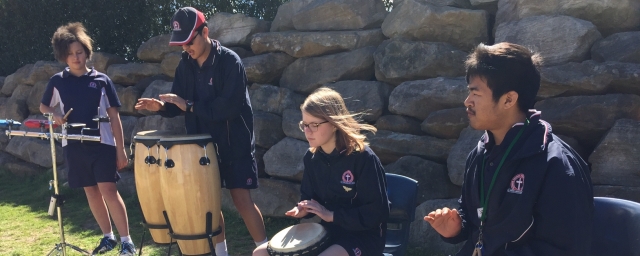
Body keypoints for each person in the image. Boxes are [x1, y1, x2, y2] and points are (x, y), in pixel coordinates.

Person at [424, 42, 593, 255]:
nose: (467, 101)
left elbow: (566, 248)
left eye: (475, 93)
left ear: (509, 99)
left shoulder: (557, 164)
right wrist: (456, 228)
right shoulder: (480, 154)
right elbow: (473, 217)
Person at [134, 7, 266, 255]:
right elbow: (180, 104)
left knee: (242, 200)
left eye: (189, 41)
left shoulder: (230, 61)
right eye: (181, 44)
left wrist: (188, 105)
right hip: (202, 146)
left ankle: (264, 249)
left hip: (234, 143)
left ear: (205, 32)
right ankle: (221, 252)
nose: (186, 48)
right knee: (210, 204)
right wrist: (161, 106)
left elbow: (228, 107)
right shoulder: (185, 65)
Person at [253, 88, 390, 256]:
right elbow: (309, 197)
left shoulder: (363, 158)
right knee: (260, 253)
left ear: (333, 124)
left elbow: (377, 212)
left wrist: (332, 215)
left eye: (314, 125)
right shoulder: (312, 158)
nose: (307, 131)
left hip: (364, 237)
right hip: (329, 232)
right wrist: (304, 208)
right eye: (304, 125)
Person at [40, 22, 136, 255]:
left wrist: (120, 150)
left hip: (102, 145)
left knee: (108, 191)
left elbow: (115, 117)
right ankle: (108, 238)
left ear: (86, 52)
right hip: (73, 146)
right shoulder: (57, 81)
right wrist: (56, 114)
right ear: (64, 56)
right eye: (71, 54)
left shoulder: (102, 80)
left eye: (79, 52)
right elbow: (44, 106)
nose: (76, 57)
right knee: (91, 192)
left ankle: (127, 242)